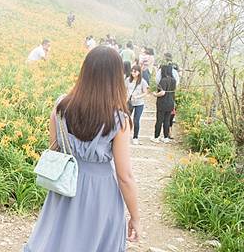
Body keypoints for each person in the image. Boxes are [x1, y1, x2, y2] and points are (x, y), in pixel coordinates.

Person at [23, 46, 140, 251]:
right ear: (116, 77)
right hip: (100, 193)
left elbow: (56, 150)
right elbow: (125, 176)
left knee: (57, 241)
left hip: (65, 186)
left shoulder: (61, 106)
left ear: (85, 71)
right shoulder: (119, 119)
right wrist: (135, 216)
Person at [151, 64, 176, 143]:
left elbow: (162, 93)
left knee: (159, 120)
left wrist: (155, 94)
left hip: (162, 103)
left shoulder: (163, 80)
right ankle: (165, 137)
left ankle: (156, 137)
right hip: (171, 103)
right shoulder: (173, 80)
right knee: (167, 120)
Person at [125, 65, 148, 145]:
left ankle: (135, 137)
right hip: (129, 102)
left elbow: (145, 92)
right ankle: (125, 136)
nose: (133, 73)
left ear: (139, 72)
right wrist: (126, 98)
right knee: (126, 119)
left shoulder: (142, 81)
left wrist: (137, 96)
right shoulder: (128, 80)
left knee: (136, 120)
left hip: (139, 103)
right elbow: (125, 90)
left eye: (135, 71)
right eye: (132, 71)